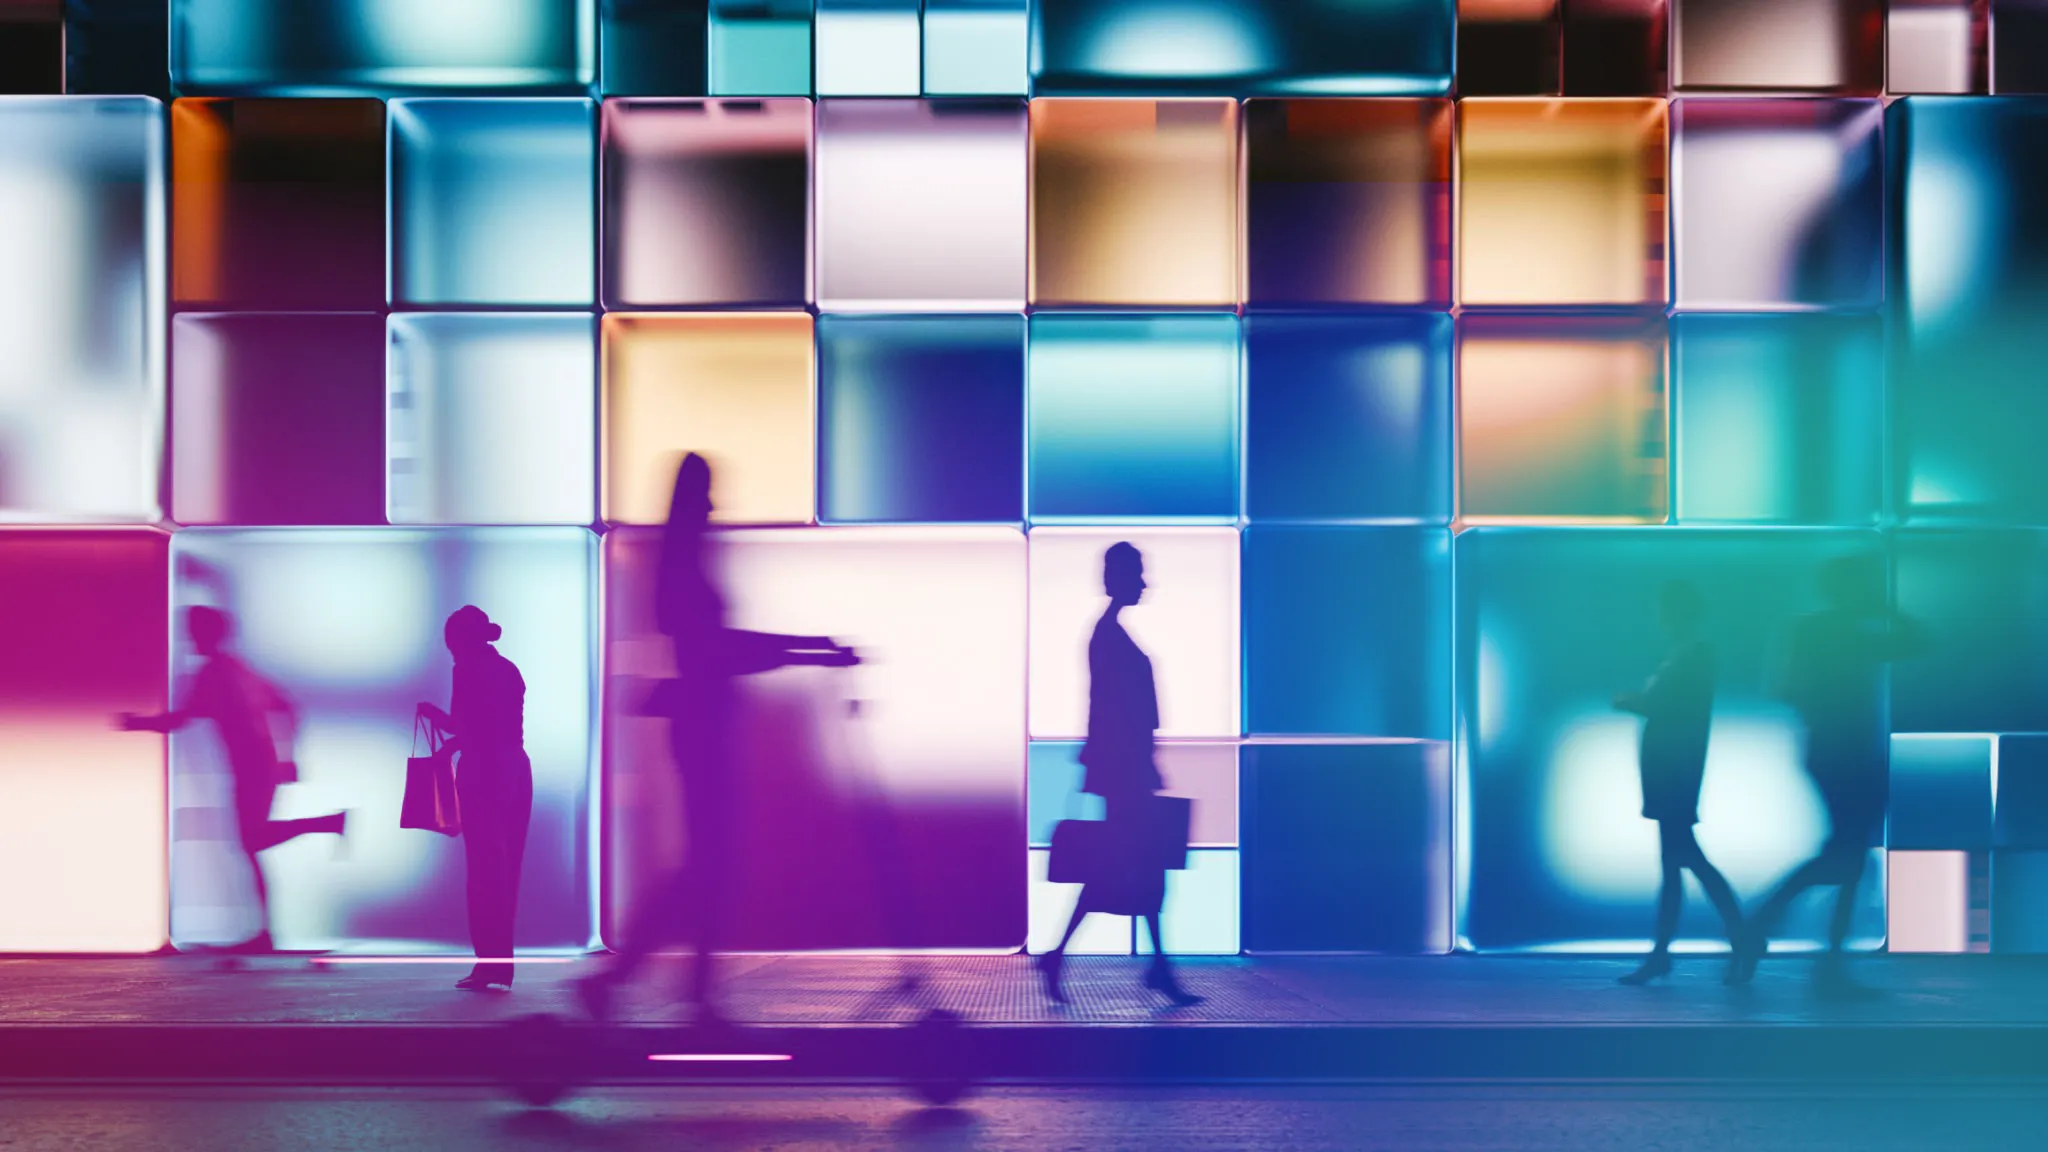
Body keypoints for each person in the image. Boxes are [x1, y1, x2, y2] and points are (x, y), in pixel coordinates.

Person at [579, 453, 858, 1023]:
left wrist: (807, 648)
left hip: (702, 726)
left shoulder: (684, 564)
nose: (712, 505)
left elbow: (721, 647)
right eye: (706, 493)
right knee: (708, 865)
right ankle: (653, 984)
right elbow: (716, 651)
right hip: (703, 728)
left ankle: (653, 984)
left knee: (706, 865)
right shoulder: (684, 568)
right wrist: (807, 648)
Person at [1730, 555, 1928, 992]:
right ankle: (1789, 940)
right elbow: (1916, 639)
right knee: (1847, 856)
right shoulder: (1852, 632)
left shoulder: (1813, 629)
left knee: (1846, 857)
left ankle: (1769, 930)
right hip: (1850, 753)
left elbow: (1783, 688)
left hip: (1832, 750)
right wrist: (1882, 609)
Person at [119, 605, 346, 953]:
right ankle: (267, 928)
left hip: (252, 765)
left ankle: (327, 824)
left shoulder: (215, 673)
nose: (189, 637)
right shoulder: (237, 669)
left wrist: (135, 724)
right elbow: (285, 705)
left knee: (251, 841)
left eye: (193, 630)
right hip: (259, 764)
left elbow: (179, 720)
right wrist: (286, 755)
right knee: (251, 842)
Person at [1036, 543, 1202, 1008]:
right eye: (1138, 574)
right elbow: (1109, 711)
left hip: (1125, 772)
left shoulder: (1108, 633)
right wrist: (1135, 764)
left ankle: (1152, 967)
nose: (1144, 583)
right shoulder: (1108, 636)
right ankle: (1153, 968)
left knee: (1134, 867)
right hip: (1125, 774)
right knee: (1135, 867)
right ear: (1121, 578)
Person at [1611, 580, 1744, 985]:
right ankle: (1672, 950)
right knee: (1679, 861)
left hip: (1674, 772)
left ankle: (1738, 938)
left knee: (1684, 860)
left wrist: (1632, 701)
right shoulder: (1687, 655)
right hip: (1670, 772)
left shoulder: (1693, 656)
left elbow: (1667, 707)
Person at [417, 606, 530, 992]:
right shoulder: (509, 669)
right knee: (505, 870)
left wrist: (433, 717)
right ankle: (502, 965)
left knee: (483, 873)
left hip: (484, 773)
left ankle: (489, 966)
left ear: (457, 639)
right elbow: (495, 726)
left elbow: (467, 729)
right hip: (517, 768)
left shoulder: (466, 668)